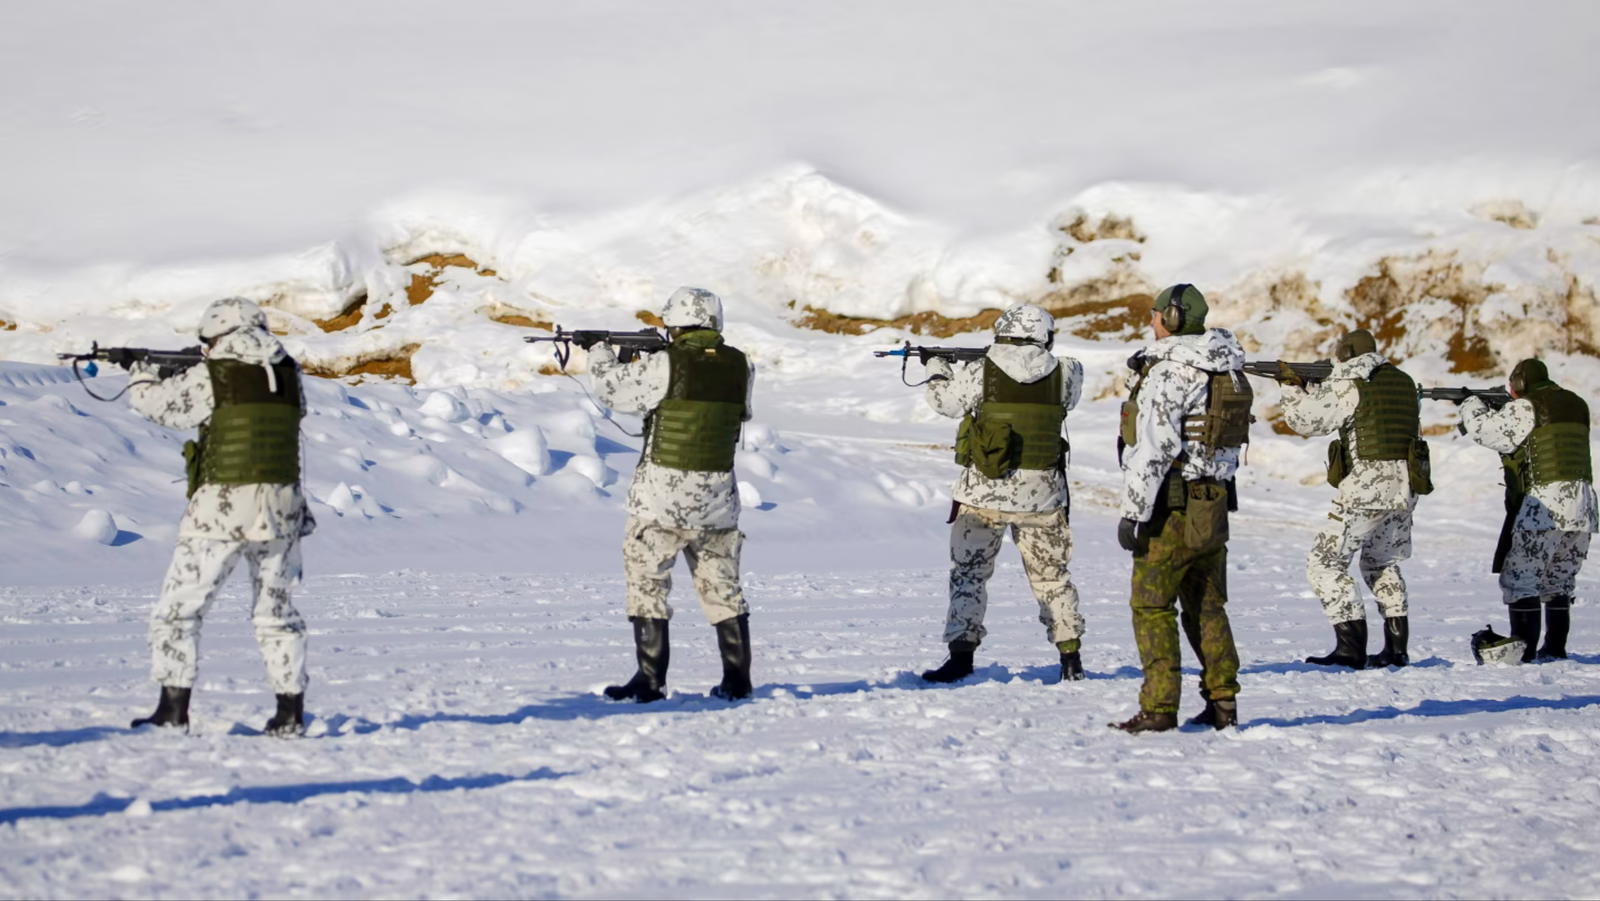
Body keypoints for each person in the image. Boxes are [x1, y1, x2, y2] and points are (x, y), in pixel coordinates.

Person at [126, 297, 316, 736]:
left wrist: (141, 373)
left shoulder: (215, 372)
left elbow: (161, 408)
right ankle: (290, 714)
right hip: (283, 508)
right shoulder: (289, 373)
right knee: (276, 613)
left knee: (179, 609)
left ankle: (172, 711)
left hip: (221, 511)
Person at [590, 287, 757, 701]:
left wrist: (598, 351)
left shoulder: (664, 363)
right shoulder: (743, 365)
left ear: (675, 322)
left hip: (660, 500)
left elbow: (612, 390)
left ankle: (650, 680)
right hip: (718, 501)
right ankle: (738, 681)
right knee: (723, 588)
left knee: (648, 584)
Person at [918, 304, 1088, 684]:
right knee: (1052, 578)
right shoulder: (1068, 372)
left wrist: (937, 367)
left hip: (984, 497)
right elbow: (1063, 395)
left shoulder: (979, 372)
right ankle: (1070, 657)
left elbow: (945, 402)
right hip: (1042, 498)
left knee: (969, 576)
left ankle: (960, 659)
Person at [1113, 284, 1249, 733]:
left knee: (1151, 605)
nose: (1151, 321)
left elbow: (1156, 447)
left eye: (1156, 314)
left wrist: (1133, 511)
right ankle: (1223, 702)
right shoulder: (1227, 369)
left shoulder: (1172, 372)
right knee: (1207, 606)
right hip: (1213, 503)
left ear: (1170, 318)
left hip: (1170, 506)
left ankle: (1159, 707)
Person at [1279, 329, 1423, 669]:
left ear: (1344, 355)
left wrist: (1291, 387)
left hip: (1367, 488)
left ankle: (1350, 650)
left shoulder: (1350, 383)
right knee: (1381, 563)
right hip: (1406, 487)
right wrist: (1318, 386)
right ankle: (1396, 650)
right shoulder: (1403, 382)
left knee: (1325, 563)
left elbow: (1307, 420)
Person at [1459, 358, 1595, 661]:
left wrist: (1470, 403)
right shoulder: (1577, 403)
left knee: (1521, 578)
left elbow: (1487, 432)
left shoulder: (1527, 406)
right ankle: (1555, 648)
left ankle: (1526, 651)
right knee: (1559, 579)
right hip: (1584, 505)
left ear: (1520, 383)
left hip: (1546, 506)